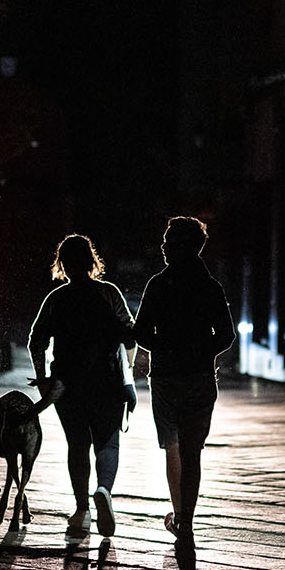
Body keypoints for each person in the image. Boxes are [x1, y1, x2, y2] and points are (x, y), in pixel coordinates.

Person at [131, 216, 238, 549]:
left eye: (169, 240)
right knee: (192, 452)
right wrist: (201, 351)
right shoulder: (211, 286)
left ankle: (179, 517)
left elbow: (140, 332)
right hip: (201, 377)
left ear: (184, 246)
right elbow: (226, 335)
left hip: (165, 378)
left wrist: (164, 346)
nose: (163, 246)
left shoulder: (159, 285)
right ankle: (186, 522)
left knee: (172, 447)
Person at [28, 233, 138, 543]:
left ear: (62, 264)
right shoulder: (109, 294)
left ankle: (81, 511)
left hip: (67, 383)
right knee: (108, 443)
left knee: (77, 445)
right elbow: (130, 337)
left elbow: (36, 341)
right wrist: (127, 373)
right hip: (107, 381)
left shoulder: (57, 299)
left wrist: (44, 379)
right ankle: (103, 489)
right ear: (93, 261)